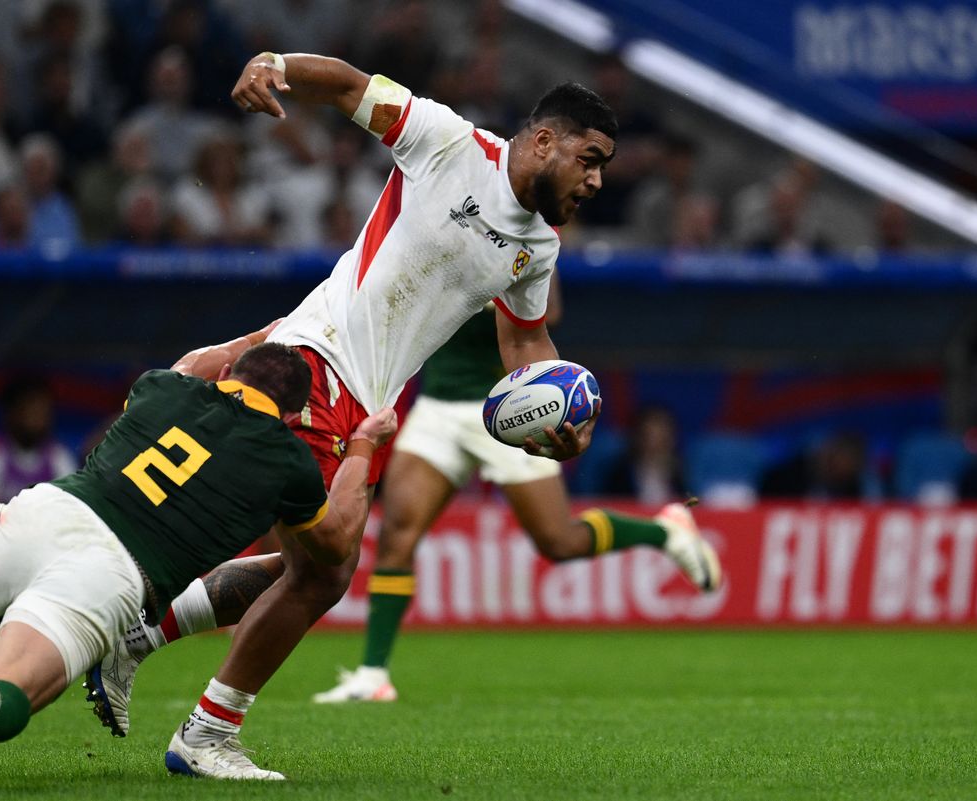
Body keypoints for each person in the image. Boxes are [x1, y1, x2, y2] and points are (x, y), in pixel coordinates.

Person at [85, 50, 716, 781]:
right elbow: (352, 87)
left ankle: (141, 636)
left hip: (367, 402)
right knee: (319, 569)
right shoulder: (448, 141)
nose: (598, 179)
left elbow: (524, 340)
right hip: (317, 368)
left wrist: (558, 411)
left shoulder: (538, 246)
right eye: (590, 158)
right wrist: (275, 64)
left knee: (308, 564)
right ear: (545, 141)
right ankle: (197, 721)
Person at [0, 343, 398, 790]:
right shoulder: (288, 458)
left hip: (42, 513)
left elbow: (202, 362)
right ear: (295, 418)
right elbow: (335, 542)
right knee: (12, 679)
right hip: (110, 571)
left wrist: (261, 335)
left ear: (229, 376)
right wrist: (366, 444)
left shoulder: (161, 389)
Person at [313, 302, 720, 704]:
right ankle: (372, 676)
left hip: (514, 410)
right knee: (397, 536)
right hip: (438, 406)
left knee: (559, 541)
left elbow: (551, 312)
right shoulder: (434, 236)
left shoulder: (530, 239)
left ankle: (664, 531)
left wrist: (491, 296)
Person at [0, 377, 77, 506]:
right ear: (12, 412)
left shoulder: (59, 455)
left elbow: (68, 507)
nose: (39, 421)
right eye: (33, 412)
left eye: (44, 413)